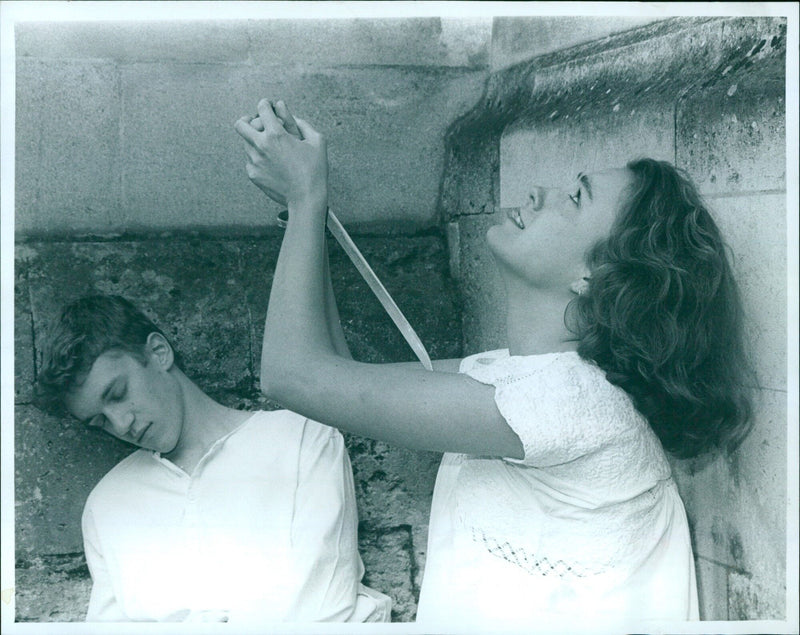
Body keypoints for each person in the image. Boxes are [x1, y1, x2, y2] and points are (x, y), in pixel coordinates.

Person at [234, 99, 753, 628]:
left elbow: (294, 377)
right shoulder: (523, 375)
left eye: (574, 198)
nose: (537, 192)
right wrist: (305, 213)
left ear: (597, 276)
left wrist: (305, 198)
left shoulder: (568, 404)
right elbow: (336, 379)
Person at [34, 294, 391, 624]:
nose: (121, 423)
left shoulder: (301, 439)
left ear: (159, 352)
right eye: (99, 422)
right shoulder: (107, 506)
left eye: (118, 393)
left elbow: (324, 606)